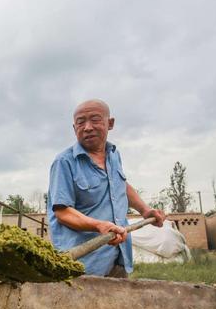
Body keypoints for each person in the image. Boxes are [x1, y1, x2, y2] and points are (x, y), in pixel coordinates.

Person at [47, 99, 165, 277]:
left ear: (110, 124)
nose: (87, 127)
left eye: (95, 119)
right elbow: (63, 213)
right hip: (82, 265)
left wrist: (145, 210)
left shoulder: (114, 155)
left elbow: (120, 184)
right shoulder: (64, 162)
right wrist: (99, 226)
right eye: (81, 122)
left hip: (118, 257)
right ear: (74, 128)